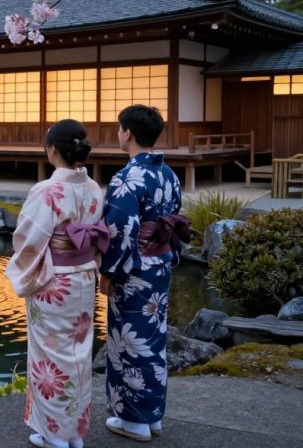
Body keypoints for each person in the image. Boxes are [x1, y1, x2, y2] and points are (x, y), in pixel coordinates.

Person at [7, 119, 108, 448]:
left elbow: (28, 239)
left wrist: (23, 271)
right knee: (78, 355)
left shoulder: (47, 191)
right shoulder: (93, 188)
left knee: (50, 358)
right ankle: (74, 432)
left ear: (51, 150)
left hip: (53, 283)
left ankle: (53, 434)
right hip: (83, 277)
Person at [99, 105, 190, 442]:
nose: (117, 133)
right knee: (152, 339)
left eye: (119, 128)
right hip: (160, 264)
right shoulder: (169, 174)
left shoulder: (127, 177)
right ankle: (152, 417)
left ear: (127, 133)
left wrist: (107, 272)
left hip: (133, 270)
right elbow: (174, 218)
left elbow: (120, 230)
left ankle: (133, 420)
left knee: (129, 341)